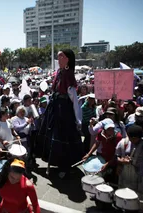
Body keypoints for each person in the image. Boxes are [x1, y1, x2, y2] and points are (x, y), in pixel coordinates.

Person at [40, 49, 83, 179]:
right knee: (51, 135)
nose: (58, 60)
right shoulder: (59, 72)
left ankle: (65, 167)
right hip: (55, 107)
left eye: (61, 57)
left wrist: (78, 119)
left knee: (63, 139)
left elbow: (74, 99)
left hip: (64, 110)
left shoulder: (69, 74)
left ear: (68, 59)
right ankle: (55, 163)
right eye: (58, 57)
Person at [116, 124, 143, 194]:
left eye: (135, 138)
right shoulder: (123, 143)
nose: (132, 140)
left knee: (140, 199)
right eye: (130, 138)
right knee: (124, 195)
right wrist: (121, 161)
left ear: (140, 137)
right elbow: (116, 156)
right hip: (126, 176)